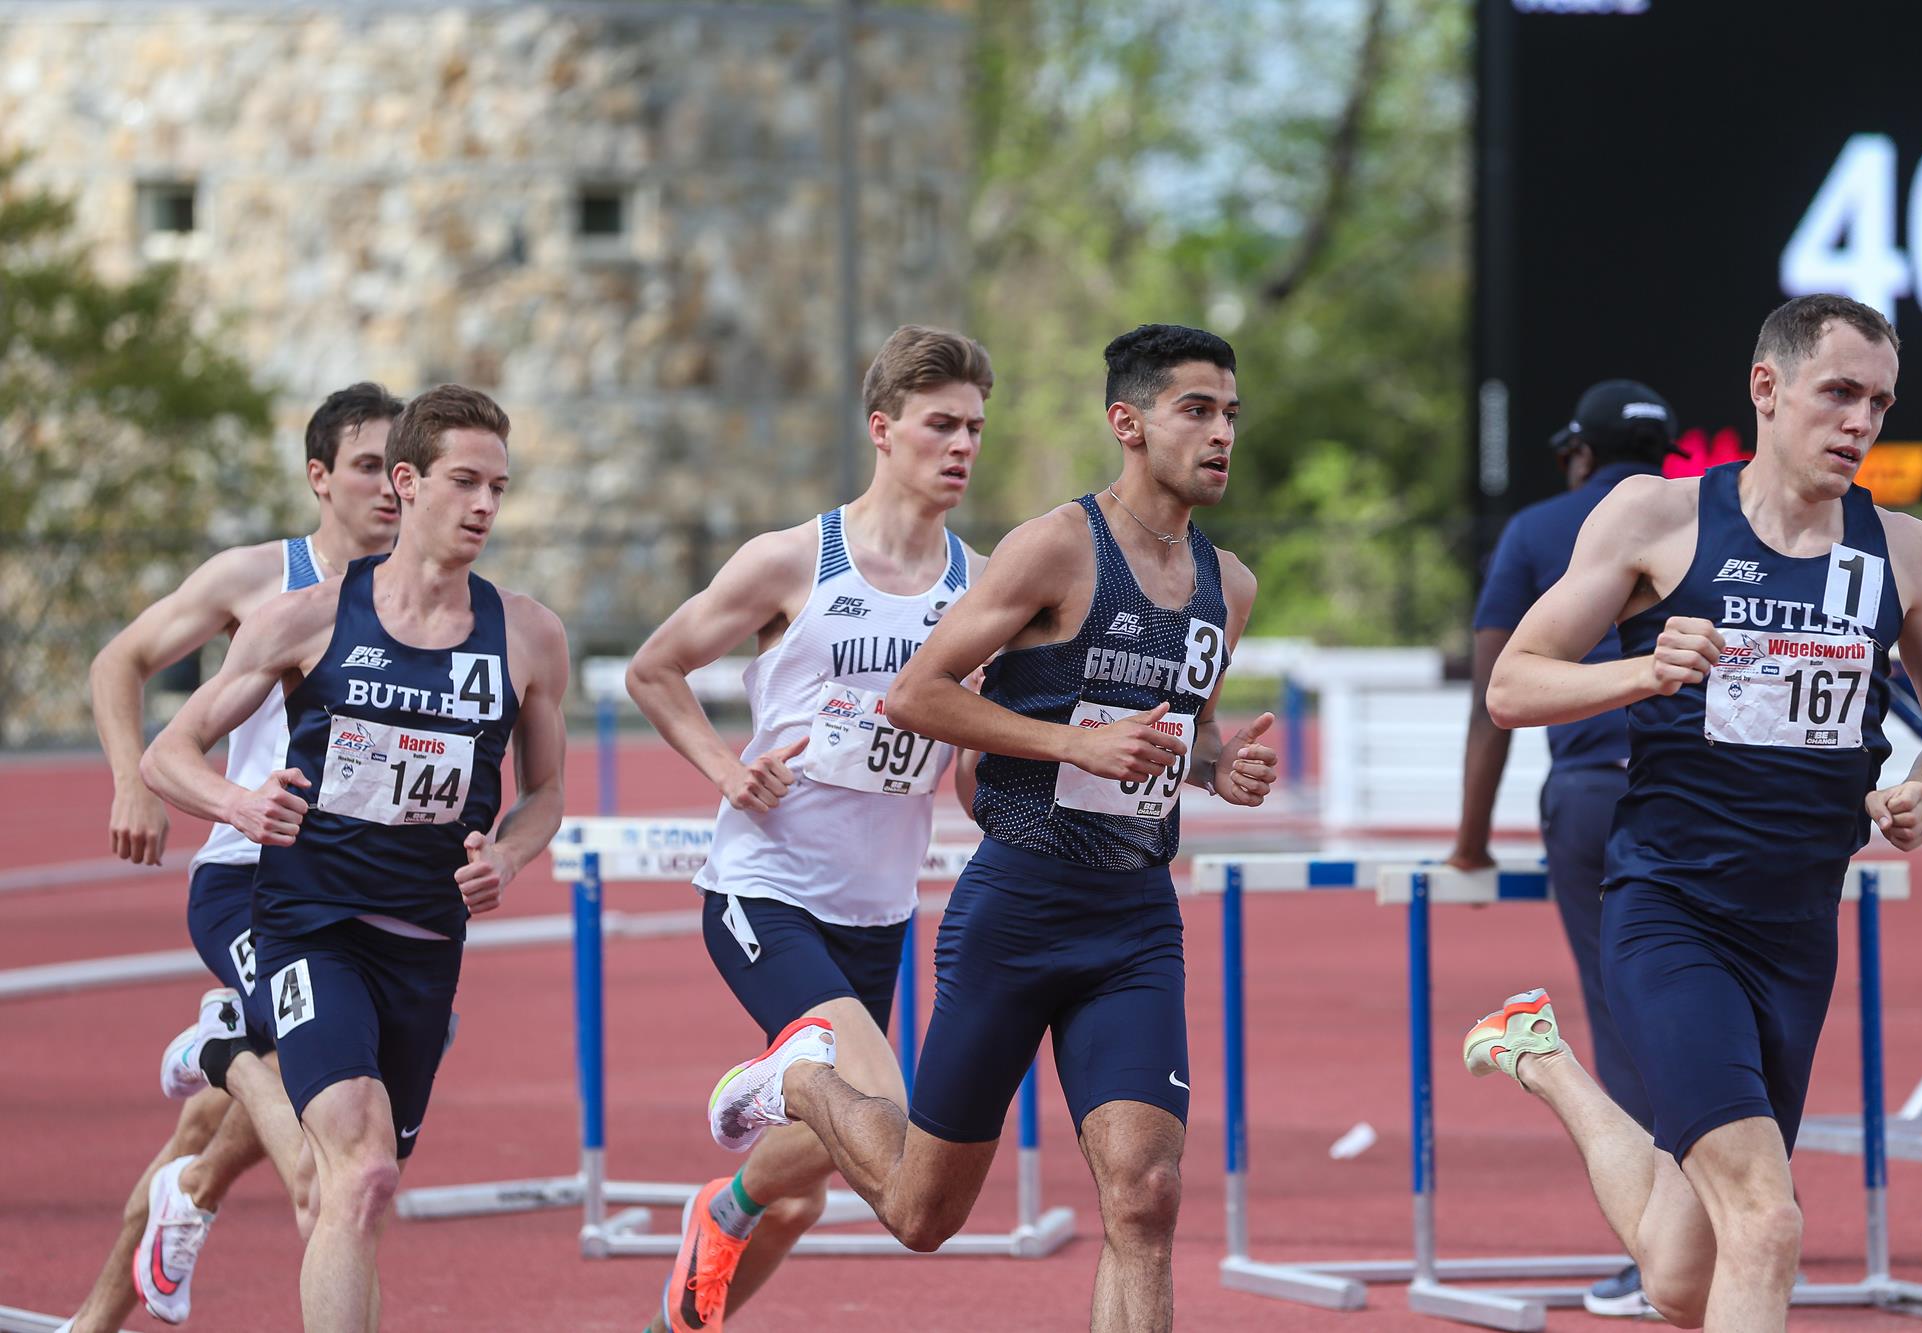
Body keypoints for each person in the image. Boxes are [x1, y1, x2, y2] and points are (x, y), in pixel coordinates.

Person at [704, 324, 1279, 1332]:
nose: (1220, 431)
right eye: (1195, 409)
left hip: (1135, 922)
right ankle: (798, 1078)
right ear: (1127, 423)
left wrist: (1221, 766)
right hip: (1018, 905)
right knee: (923, 1212)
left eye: (1229, 412)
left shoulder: (1228, 586)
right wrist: (1067, 747)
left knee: (1144, 1195)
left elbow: (1182, 736)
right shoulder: (1056, 546)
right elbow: (918, 696)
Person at [1468, 294, 1922, 1333]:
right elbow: (1510, 686)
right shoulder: (1655, 520)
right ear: (1767, 388)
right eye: (1837, 392)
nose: (1858, 422)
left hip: (1795, 931)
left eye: (1877, 402)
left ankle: (1541, 1060)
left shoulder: (1904, 552)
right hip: (1669, 910)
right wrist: (1639, 673)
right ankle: (1546, 1055)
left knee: (1675, 1275)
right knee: (1766, 1220)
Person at [139, 385, 570, 1333]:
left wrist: (509, 855)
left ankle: (224, 1044)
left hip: (424, 947)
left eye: (500, 486)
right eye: (465, 481)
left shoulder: (529, 634)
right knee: (358, 1164)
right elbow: (166, 751)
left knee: (362, 1194)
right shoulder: (307, 618)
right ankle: (233, 1045)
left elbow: (548, 796)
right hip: (308, 926)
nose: (486, 505)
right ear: (408, 484)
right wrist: (237, 802)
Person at [624, 325, 995, 1332]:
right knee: (889, 1118)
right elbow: (653, 667)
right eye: (938, 426)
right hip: (766, 889)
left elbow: (965, 758)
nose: (960, 446)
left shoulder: (983, 585)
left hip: (877, 909)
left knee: (806, 1190)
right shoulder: (795, 560)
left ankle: (693, 1293)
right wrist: (725, 768)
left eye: (972, 427)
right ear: (882, 430)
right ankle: (740, 1172)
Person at [63, 384, 404, 1332]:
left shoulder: (429, 597)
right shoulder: (260, 580)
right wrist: (135, 781)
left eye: (401, 467)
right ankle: (222, 1045)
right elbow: (116, 662)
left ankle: (99, 1313)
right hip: (253, 881)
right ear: (320, 477)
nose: (390, 486)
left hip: (366, 898)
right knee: (329, 1163)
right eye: (369, 465)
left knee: (204, 1135)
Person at [1448, 378, 1679, 1317]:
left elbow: (1496, 694)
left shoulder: (1543, 529)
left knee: (1626, 1011)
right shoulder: (1702, 519)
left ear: (1579, 452)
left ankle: (1655, 1250)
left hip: (1594, 796)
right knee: (1714, 1007)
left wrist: (1470, 844)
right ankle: (1737, 1218)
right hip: (1704, 796)